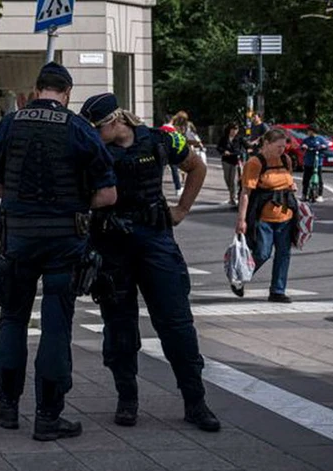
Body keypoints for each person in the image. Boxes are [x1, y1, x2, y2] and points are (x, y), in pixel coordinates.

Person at [0, 62, 117, 441]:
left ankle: (7, 407)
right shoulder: (78, 129)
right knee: (56, 325)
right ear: (68, 93)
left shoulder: (11, 123)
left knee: (12, 318)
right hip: (64, 242)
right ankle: (48, 416)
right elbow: (108, 194)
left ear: (36, 88)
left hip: (18, 240)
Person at [80, 93, 220, 433]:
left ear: (115, 121)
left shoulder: (160, 139)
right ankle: (127, 399)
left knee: (176, 323)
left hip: (155, 240)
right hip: (112, 246)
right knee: (119, 327)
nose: (93, 136)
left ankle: (195, 401)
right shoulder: (91, 149)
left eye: (97, 129)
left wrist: (182, 209)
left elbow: (196, 167)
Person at [234, 129, 297, 303]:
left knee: (284, 254)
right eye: (278, 146)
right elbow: (245, 193)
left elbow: (288, 180)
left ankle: (277, 291)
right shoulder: (255, 163)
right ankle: (240, 277)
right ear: (266, 144)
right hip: (263, 218)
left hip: (286, 215)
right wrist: (241, 219)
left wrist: (292, 187)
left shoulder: (286, 160)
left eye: (284, 146)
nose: (282, 150)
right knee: (262, 253)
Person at [217, 122, 245, 205]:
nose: (234, 131)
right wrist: (223, 151)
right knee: (227, 179)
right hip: (226, 160)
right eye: (233, 129)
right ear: (229, 129)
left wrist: (237, 153)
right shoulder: (224, 138)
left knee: (233, 180)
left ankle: (232, 197)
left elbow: (245, 148)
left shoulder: (239, 139)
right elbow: (218, 147)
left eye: (236, 130)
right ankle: (232, 193)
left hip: (235, 161)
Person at [301, 126, 327, 202]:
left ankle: (320, 195)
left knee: (319, 179)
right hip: (308, 162)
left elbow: (326, 146)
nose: (308, 132)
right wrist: (304, 146)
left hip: (317, 162)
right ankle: (304, 194)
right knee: (306, 179)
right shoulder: (306, 140)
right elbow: (302, 146)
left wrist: (323, 146)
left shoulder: (320, 139)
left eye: (309, 131)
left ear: (313, 131)